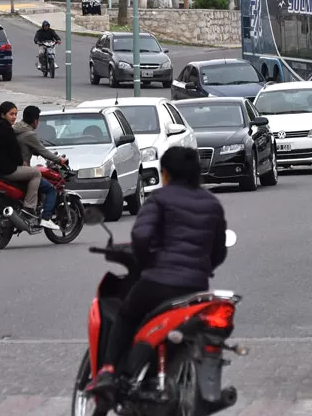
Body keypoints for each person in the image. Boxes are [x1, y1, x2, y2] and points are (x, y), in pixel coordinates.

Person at [91, 147, 227, 392]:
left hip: (158, 282)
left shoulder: (159, 199)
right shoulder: (212, 203)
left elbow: (141, 236)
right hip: (196, 288)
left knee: (126, 314)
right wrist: (202, 268)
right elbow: (218, 251)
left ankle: (109, 371)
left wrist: (147, 263)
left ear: (165, 174)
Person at [0, 101, 41, 230]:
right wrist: (21, 162)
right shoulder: (6, 128)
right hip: (5, 169)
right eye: (11, 114)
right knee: (36, 173)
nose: (14, 117)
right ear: (3, 114)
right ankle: (29, 208)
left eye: (15, 114)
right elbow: (14, 150)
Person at [13, 106, 68, 230]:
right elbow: (43, 151)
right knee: (50, 189)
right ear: (36, 121)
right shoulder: (29, 134)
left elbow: (28, 148)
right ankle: (45, 217)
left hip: (10, 166)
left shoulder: (15, 129)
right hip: (20, 169)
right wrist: (60, 160)